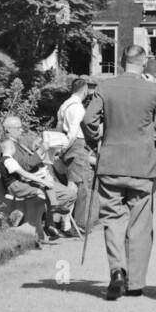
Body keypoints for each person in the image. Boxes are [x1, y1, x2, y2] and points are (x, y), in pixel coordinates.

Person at [81, 44, 156, 299]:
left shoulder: (105, 87)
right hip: (142, 166)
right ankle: (135, 283)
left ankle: (116, 271)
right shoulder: (152, 89)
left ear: (122, 60)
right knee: (140, 224)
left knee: (113, 220)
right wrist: (154, 86)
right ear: (144, 62)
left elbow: (87, 121)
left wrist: (95, 141)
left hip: (110, 162)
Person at [0, 115, 75, 245]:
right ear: (9, 129)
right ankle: (43, 224)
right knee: (50, 194)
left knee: (70, 195)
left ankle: (47, 222)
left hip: (35, 178)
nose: (22, 130)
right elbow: (25, 165)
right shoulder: (9, 145)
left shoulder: (17, 143)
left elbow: (27, 160)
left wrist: (36, 148)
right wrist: (41, 150)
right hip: (27, 182)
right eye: (18, 128)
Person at [54, 77, 95, 233]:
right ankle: (67, 222)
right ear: (84, 90)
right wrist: (64, 149)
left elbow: (59, 128)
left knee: (77, 184)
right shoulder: (77, 107)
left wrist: (59, 148)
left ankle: (76, 222)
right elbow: (72, 132)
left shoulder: (64, 105)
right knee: (74, 185)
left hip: (67, 144)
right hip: (75, 145)